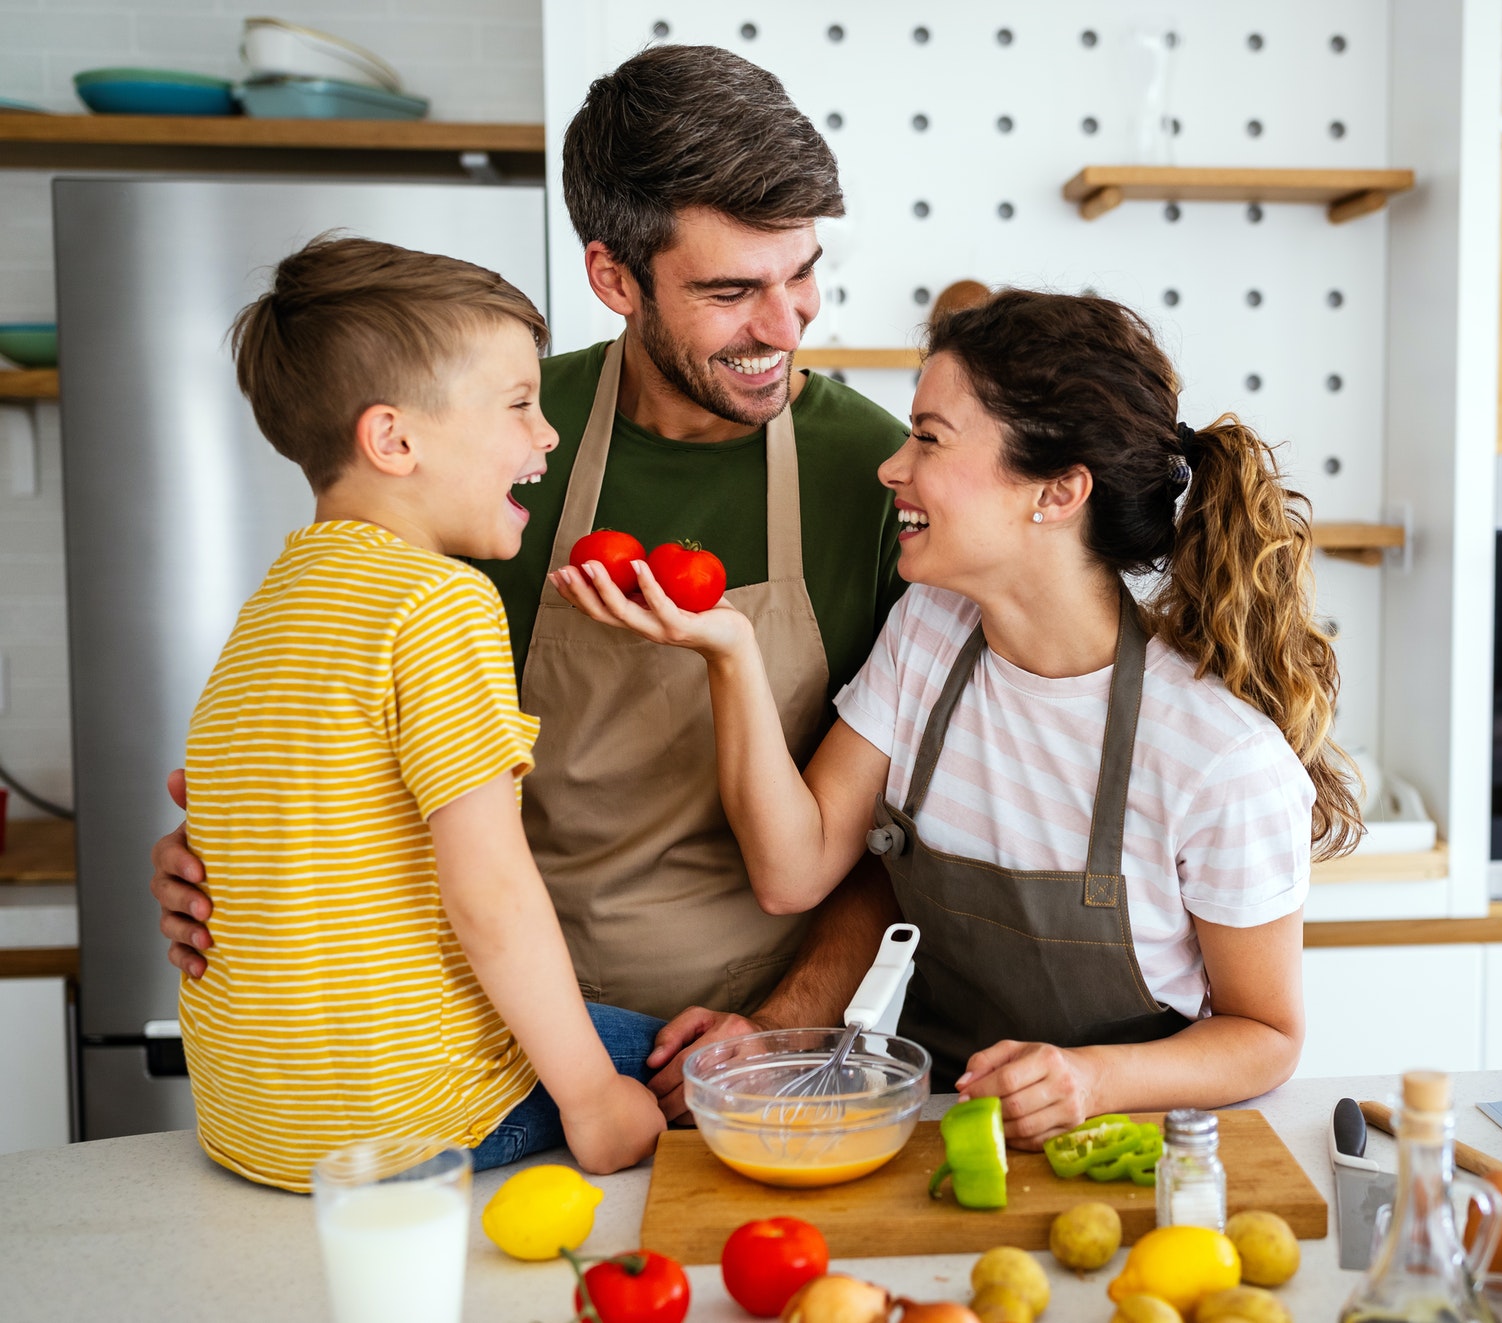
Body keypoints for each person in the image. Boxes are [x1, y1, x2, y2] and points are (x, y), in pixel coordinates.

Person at [150, 44, 912, 1116]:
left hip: (753, 1060)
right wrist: (235, 849)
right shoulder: (490, 442)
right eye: (733, 290)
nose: (788, 327)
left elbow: (906, 841)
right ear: (613, 277)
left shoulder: (870, 476)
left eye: (802, 273)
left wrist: (783, 1028)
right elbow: (351, 709)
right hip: (474, 1048)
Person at [556, 290, 1362, 1143]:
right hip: (929, 1125)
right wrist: (730, 653)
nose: (890, 467)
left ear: (1055, 493)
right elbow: (792, 869)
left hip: (1119, 1145)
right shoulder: (930, 633)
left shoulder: (1215, 753)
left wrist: (1090, 1077)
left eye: (928, 439)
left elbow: (1267, 1037)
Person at [181, 237, 664, 1191]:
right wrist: (594, 1101)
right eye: (518, 404)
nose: (547, 435)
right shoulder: (438, 602)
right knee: (703, 1058)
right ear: (395, 439)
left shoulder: (271, 606)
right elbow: (490, 894)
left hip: (255, 1122)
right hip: (411, 1120)